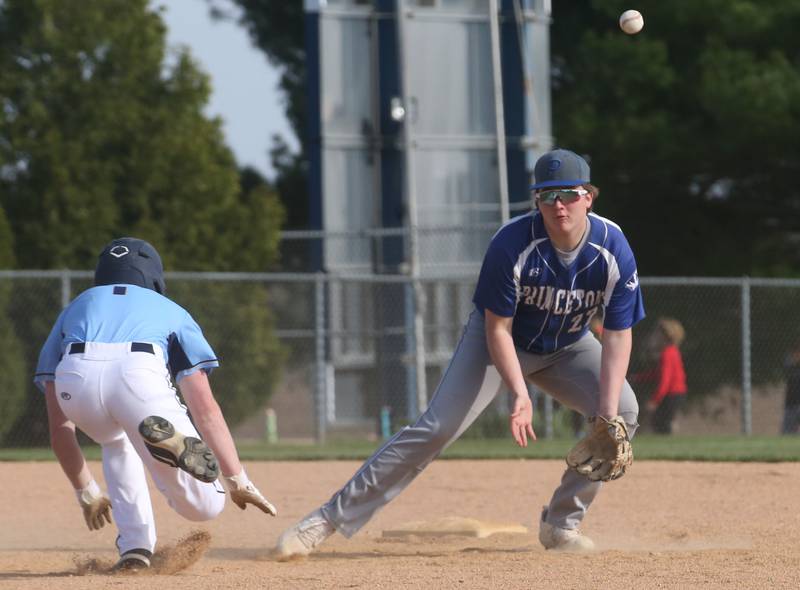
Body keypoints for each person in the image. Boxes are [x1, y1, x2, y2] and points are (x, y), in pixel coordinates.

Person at [275, 148, 644, 556]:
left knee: (621, 415)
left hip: (570, 347)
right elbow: (497, 328)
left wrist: (606, 414)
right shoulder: (512, 243)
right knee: (436, 427)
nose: (559, 205)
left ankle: (561, 525)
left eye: (569, 194)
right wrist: (519, 392)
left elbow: (617, 335)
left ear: (589, 198)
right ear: (535, 201)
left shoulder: (612, 249)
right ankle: (325, 520)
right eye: (547, 195)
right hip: (499, 345)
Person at [34, 238, 277, 572]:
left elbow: (59, 428)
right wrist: (237, 479)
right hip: (139, 374)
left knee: (114, 441)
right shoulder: (171, 310)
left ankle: (135, 548)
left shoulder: (76, 306)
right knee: (206, 507)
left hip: (76, 382)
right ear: (153, 276)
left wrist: (86, 492)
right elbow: (205, 408)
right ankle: (170, 449)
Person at [635, 318, 687, 434]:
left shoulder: (667, 353)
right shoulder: (671, 351)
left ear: (666, 336)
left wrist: (655, 400)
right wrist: (638, 377)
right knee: (661, 423)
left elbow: (665, 381)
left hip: (672, 394)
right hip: (675, 393)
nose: (655, 336)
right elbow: (658, 374)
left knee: (662, 424)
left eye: (658, 334)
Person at [781, 344, 800, 435]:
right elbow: (787, 362)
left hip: (793, 404)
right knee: (786, 434)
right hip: (792, 405)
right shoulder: (790, 366)